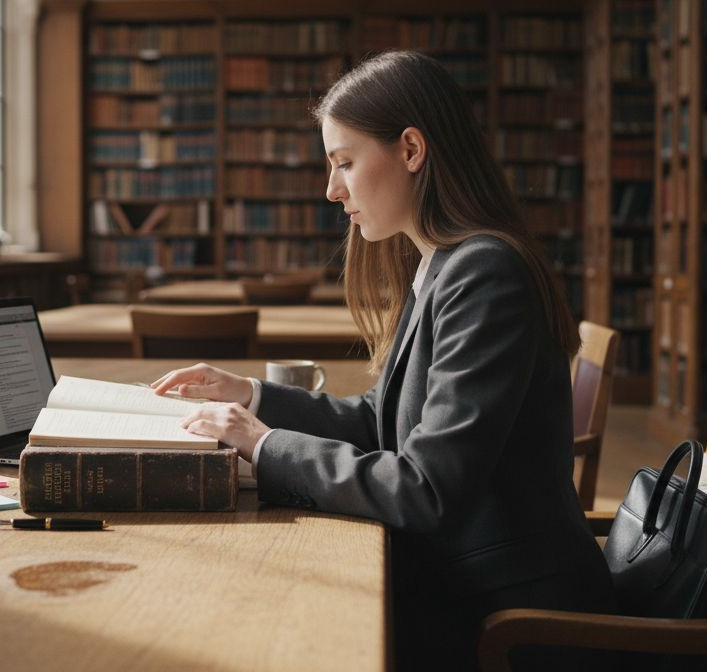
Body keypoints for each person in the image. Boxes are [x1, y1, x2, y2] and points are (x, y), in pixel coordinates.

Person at [151, 50, 616, 670]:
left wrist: (263, 447)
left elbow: (425, 488)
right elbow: (382, 421)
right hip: (461, 581)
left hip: (507, 616)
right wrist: (251, 396)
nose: (331, 188)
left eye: (344, 162)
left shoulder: (484, 273)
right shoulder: (440, 263)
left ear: (412, 150)